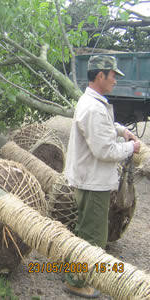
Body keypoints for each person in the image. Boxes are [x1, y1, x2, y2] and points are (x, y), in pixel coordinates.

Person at [63, 55, 141, 298]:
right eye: (113, 75)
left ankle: (76, 274)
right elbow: (105, 150)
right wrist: (132, 148)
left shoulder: (93, 102)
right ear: (100, 76)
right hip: (93, 182)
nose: (116, 80)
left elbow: (104, 128)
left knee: (86, 229)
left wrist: (120, 130)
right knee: (92, 236)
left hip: (90, 179)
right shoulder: (93, 108)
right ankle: (76, 281)